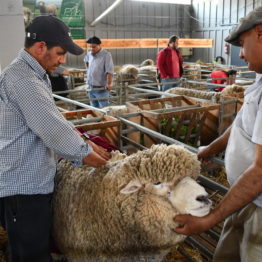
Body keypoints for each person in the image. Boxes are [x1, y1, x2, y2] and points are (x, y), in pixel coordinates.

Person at [0, 15, 110, 262]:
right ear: (41, 47)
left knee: (27, 245)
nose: (62, 61)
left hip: (25, 180)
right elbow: (52, 130)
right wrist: (105, 166)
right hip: (24, 187)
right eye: (60, 53)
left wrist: (86, 140)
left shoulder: (31, 75)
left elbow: (51, 118)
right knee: (32, 255)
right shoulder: (24, 81)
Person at [173, 6, 262, 262]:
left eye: (242, 45)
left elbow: (260, 171)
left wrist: (209, 219)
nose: (241, 55)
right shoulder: (259, 81)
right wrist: (211, 148)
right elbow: (241, 123)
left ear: (260, 32)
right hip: (243, 199)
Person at [83, 36, 114, 108]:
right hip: (91, 86)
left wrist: (108, 84)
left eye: (94, 47)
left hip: (101, 87)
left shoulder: (106, 55)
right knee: (93, 107)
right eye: (90, 47)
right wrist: (89, 70)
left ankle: (105, 119)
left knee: (104, 107)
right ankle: (97, 119)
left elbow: (109, 70)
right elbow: (86, 61)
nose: (91, 49)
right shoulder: (89, 54)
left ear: (99, 45)